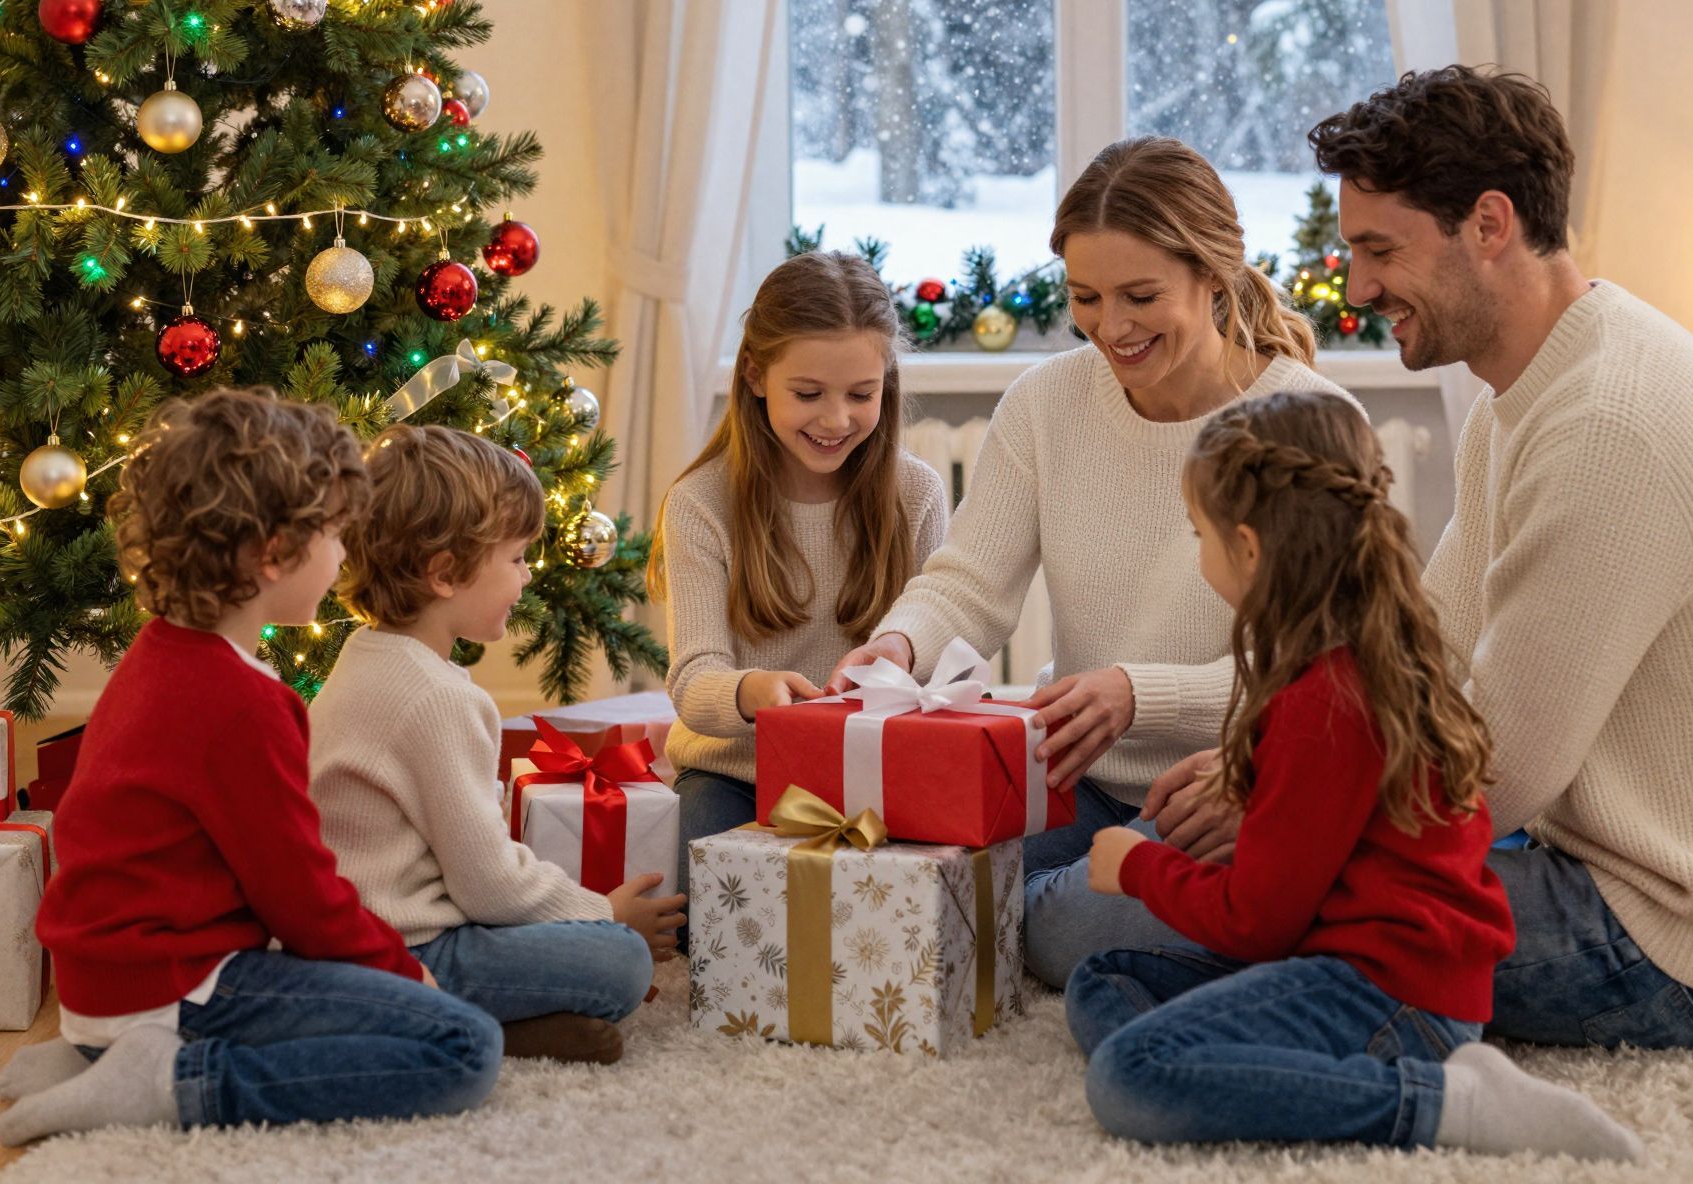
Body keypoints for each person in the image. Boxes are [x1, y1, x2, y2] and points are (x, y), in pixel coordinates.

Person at [1146, 64, 1693, 1049]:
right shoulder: (1523, 391)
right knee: (1185, 883)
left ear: (1488, 225)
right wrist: (1261, 772)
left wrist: (1282, 824)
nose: (1355, 288)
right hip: (1627, 868)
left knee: (1148, 915)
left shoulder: (1608, 426)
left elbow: (1490, 775)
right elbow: (1422, 652)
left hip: (1689, 937)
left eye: (1377, 250)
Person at [831, 137, 1356, 987]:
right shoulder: (1047, 402)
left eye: (1141, 295)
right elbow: (970, 582)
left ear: (1215, 275)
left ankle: (1240, 914)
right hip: (1079, 779)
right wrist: (899, 645)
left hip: (1227, 786)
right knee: (913, 886)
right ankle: (1210, 924)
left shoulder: (1308, 425)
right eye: (1086, 297)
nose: (1112, 327)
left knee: (1054, 928)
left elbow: (1332, 671)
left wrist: (1138, 692)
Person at [1070, 391, 1640, 1161]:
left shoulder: (1327, 702)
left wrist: (1139, 867)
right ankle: (1250, 1074)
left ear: (1247, 548)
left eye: (1198, 535)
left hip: (1395, 994)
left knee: (1126, 1076)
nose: (1199, 553)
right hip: (1354, 963)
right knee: (1103, 978)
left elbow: (1255, 920)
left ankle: (1445, 1105)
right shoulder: (1359, 658)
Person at [0, 390, 501, 1146]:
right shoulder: (244, 703)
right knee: (467, 1046)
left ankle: (91, 1052)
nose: (342, 556)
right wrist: (401, 972)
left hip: (105, 979)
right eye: (333, 535)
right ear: (273, 554)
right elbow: (302, 901)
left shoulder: (160, 652)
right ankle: (174, 1081)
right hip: (175, 983)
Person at [309, 424, 675, 1065]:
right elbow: (488, 886)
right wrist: (602, 915)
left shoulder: (368, 658)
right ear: (446, 573)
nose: (527, 576)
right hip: (406, 950)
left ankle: (491, 1027)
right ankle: (461, 1026)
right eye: (515, 558)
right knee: (621, 962)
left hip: (356, 943)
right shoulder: (436, 697)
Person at [655, 250, 947, 892]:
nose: (836, 419)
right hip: (735, 774)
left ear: (886, 382)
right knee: (713, 911)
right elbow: (693, 680)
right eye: (808, 394)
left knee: (906, 902)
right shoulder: (701, 504)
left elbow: (939, 649)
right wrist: (752, 693)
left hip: (874, 768)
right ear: (756, 376)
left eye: (861, 394)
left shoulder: (917, 493)